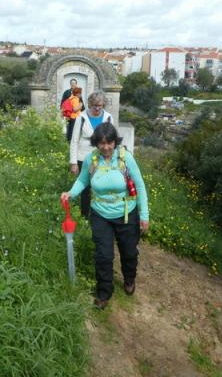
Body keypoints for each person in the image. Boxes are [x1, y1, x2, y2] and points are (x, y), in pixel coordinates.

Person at [61, 122, 149, 309]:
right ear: (96, 143)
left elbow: (140, 185)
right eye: (101, 143)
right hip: (101, 214)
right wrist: (70, 193)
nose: (106, 147)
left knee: (129, 252)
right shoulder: (91, 160)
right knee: (103, 255)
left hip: (126, 213)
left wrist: (144, 215)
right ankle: (104, 293)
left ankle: (129, 278)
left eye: (109, 143)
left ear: (115, 142)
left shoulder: (126, 158)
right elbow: (83, 180)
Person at [69, 90, 113, 218]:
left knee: (102, 185)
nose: (97, 108)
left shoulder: (108, 117)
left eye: (100, 105)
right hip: (84, 157)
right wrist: (73, 162)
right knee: (86, 187)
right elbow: (74, 140)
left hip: (103, 156)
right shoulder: (81, 117)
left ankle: (102, 213)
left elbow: (112, 139)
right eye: (95, 105)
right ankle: (85, 216)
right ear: (89, 104)